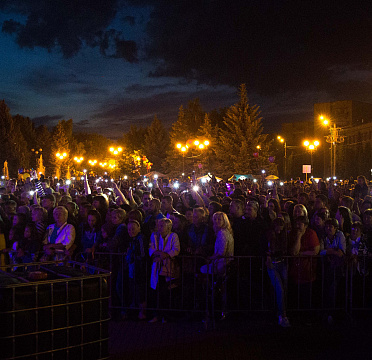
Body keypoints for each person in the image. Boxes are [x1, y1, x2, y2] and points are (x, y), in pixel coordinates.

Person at [149, 218, 180, 323]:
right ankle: (156, 315)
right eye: (159, 225)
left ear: (168, 227)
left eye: (162, 226)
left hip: (168, 268)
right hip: (157, 268)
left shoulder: (173, 236)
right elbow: (151, 248)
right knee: (156, 292)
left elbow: (176, 249)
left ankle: (165, 316)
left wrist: (165, 255)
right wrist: (158, 254)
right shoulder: (154, 236)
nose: (159, 228)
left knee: (166, 293)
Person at [266, 217, 290, 327]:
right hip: (273, 265)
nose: (279, 231)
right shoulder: (269, 236)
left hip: (282, 263)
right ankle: (282, 315)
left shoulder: (283, 237)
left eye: (281, 229)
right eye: (277, 229)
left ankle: (279, 312)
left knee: (283, 289)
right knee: (280, 288)